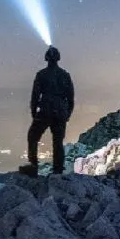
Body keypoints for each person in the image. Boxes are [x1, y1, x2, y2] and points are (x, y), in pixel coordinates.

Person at [19, 45, 74, 177]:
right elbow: (71, 98)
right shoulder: (65, 75)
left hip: (45, 110)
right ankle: (58, 169)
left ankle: (33, 166)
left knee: (33, 137)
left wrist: (34, 112)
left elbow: (35, 96)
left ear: (46, 58)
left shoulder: (41, 75)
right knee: (58, 141)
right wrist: (67, 114)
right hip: (60, 111)